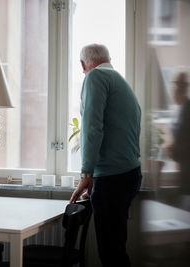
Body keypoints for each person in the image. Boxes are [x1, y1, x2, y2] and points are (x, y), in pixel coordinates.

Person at [70, 44, 142, 267]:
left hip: (113, 178)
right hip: (127, 174)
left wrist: (87, 174)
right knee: (116, 248)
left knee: (111, 252)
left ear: (83, 65)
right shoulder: (119, 81)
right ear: (107, 58)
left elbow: (92, 128)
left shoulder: (95, 76)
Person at [166, 72, 190, 212]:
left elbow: (189, 144)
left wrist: (172, 150)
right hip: (187, 175)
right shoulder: (183, 109)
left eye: (176, 85)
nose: (173, 89)